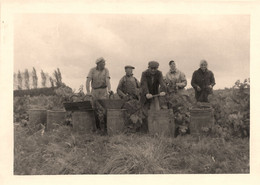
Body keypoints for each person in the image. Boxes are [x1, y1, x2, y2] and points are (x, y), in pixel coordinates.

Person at [86, 57, 112, 134]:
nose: (104, 64)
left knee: (104, 109)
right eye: (103, 63)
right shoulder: (92, 70)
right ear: (98, 64)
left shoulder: (106, 70)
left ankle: (105, 128)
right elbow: (88, 81)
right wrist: (88, 91)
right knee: (94, 109)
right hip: (94, 91)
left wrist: (109, 89)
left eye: (104, 63)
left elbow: (107, 80)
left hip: (103, 91)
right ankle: (97, 128)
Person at [140, 61, 166, 132]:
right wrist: (147, 93)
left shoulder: (159, 73)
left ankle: (156, 129)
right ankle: (145, 130)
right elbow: (144, 84)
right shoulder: (144, 73)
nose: (153, 70)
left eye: (155, 68)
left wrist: (163, 91)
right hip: (145, 95)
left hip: (155, 94)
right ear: (148, 67)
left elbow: (162, 82)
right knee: (144, 112)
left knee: (157, 110)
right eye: (152, 68)